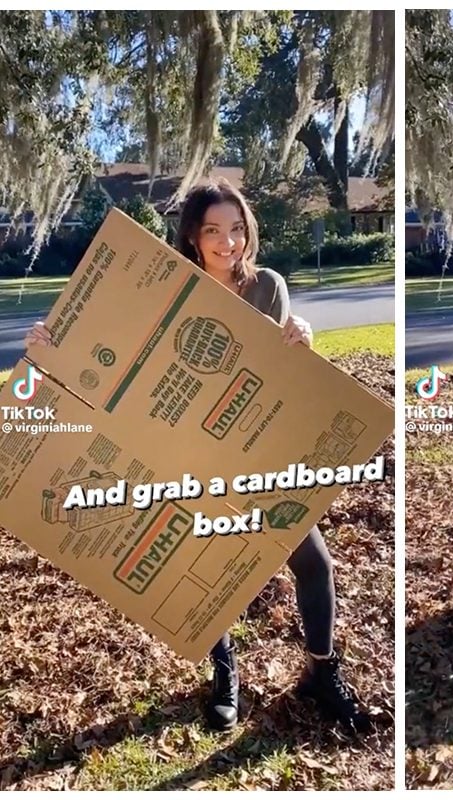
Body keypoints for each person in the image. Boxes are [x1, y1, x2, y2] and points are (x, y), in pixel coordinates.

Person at [24, 179, 369, 734]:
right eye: (214, 231)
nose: (228, 242)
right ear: (193, 235)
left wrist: (304, 341)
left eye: (236, 229)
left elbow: (292, 379)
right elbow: (111, 357)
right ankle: (224, 671)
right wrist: (49, 346)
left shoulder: (268, 287)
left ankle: (323, 673)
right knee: (208, 565)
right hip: (186, 452)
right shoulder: (167, 290)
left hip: (259, 448)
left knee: (313, 562)